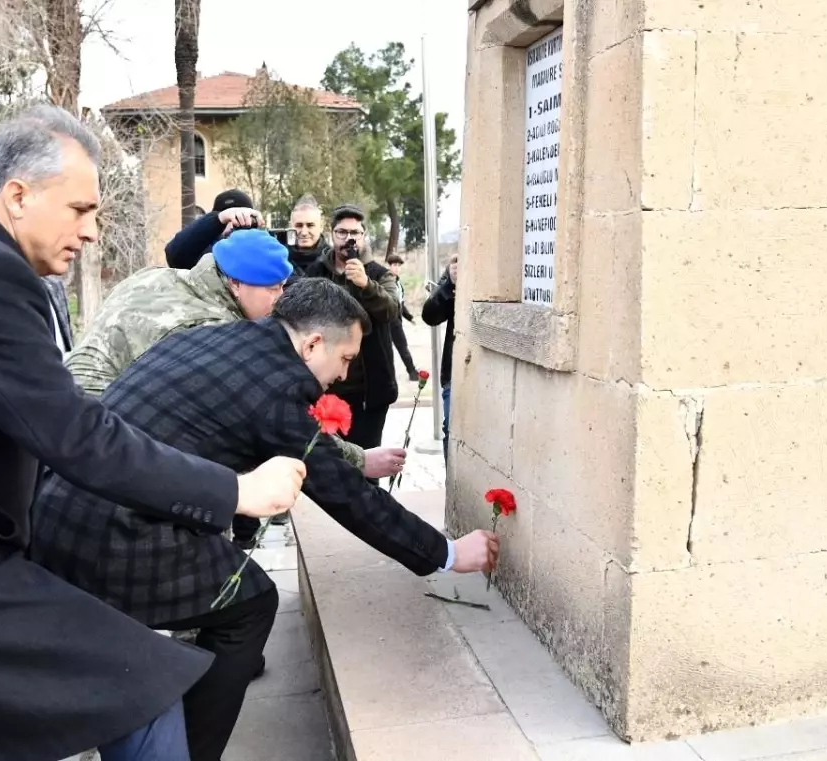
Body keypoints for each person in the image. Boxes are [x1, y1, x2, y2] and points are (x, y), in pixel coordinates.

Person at [0, 104, 305, 761]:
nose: (92, 232)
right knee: (141, 686)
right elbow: (77, 434)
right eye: (80, 209)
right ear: (17, 195)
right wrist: (234, 489)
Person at [31, 278, 500, 761]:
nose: (342, 375)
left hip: (57, 513)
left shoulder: (216, 336)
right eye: (343, 360)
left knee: (220, 585)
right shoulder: (276, 392)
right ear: (312, 343)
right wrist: (445, 554)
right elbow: (348, 497)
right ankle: (193, 751)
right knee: (250, 601)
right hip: (109, 539)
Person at [64, 228, 407, 550]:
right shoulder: (213, 330)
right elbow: (279, 421)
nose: (280, 300)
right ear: (236, 283)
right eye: (273, 288)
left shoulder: (159, 277)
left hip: (73, 425)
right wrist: (357, 458)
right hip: (105, 453)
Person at [306, 204, 401, 455]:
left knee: (368, 462)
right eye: (342, 232)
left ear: (363, 236)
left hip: (369, 392)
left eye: (355, 233)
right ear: (331, 234)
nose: (349, 238)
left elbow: (392, 311)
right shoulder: (316, 272)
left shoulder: (379, 274)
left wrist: (366, 285)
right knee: (331, 463)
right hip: (326, 388)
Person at [164, 189, 261, 270]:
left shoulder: (261, 247)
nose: (233, 225)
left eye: (240, 219)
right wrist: (218, 219)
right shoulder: (204, 252)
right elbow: (175, 257)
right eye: (228, 220)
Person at [423, 255, 457, 461]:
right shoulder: (456, 267)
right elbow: (430, 315)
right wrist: (449, 285)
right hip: (453, 374)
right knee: (451, 429)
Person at [385, 254, 420, 381]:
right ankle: (404, 373)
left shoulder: (399, 284)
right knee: (387, 350)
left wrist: (410, 318)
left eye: (399, 266)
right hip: (387, 320)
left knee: (402, 347)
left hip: (396, 321)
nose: (397, 268)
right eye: (394, 265)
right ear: (388, 266)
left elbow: (401, 304)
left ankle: (412, 372)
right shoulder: (385, 281)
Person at [285, 194, 330, 284]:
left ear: (321, 226)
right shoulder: (280, 258)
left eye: (310, 225)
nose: (304, 232)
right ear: (290, 226)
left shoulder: (333, 261)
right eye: (299, 225)